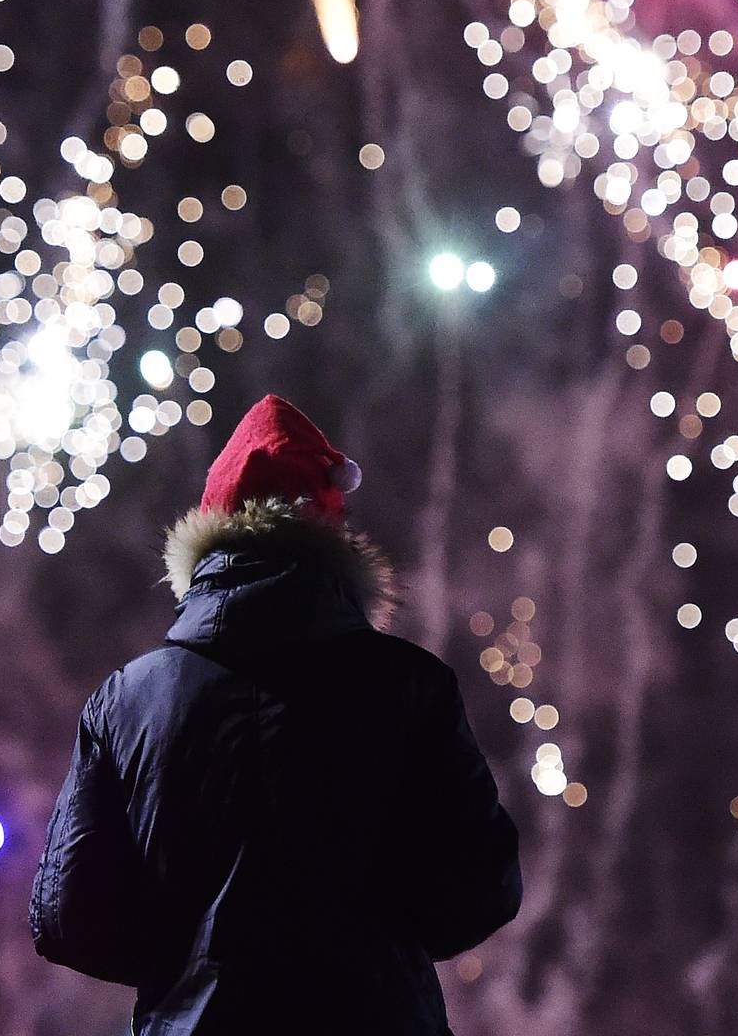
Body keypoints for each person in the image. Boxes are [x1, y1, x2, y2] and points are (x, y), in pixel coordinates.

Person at [29, 394, 522, 1034]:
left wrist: (191, 962)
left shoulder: (126, 703)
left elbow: (69, 916)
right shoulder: (410, 688)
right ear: (333, 533)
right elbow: (482, 889)